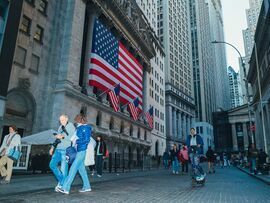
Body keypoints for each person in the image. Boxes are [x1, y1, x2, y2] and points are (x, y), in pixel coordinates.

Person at [58, 114, 92, 194]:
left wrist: (77, 141)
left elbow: (86, 140)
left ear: (80, 120)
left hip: (81, 150)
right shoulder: (79, 128)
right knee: (82, 170)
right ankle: (87, 187)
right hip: (78, 150)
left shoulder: (86, 127)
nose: (76, 122)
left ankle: (65, 188)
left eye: (76, 120)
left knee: (73, 169)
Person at [49, 115, 75, 191]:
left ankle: (63, 186)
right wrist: (52, 147)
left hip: (65, 149)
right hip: (57, 149)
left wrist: (62, 137)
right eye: (60, 120)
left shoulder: (71, 126)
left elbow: (72, 138)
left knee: (64, 169)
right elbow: (57, 138)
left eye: (63, 120)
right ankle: (62, 181)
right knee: (52, 165)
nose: (61, 121)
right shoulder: (60, 127)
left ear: (67, 119)